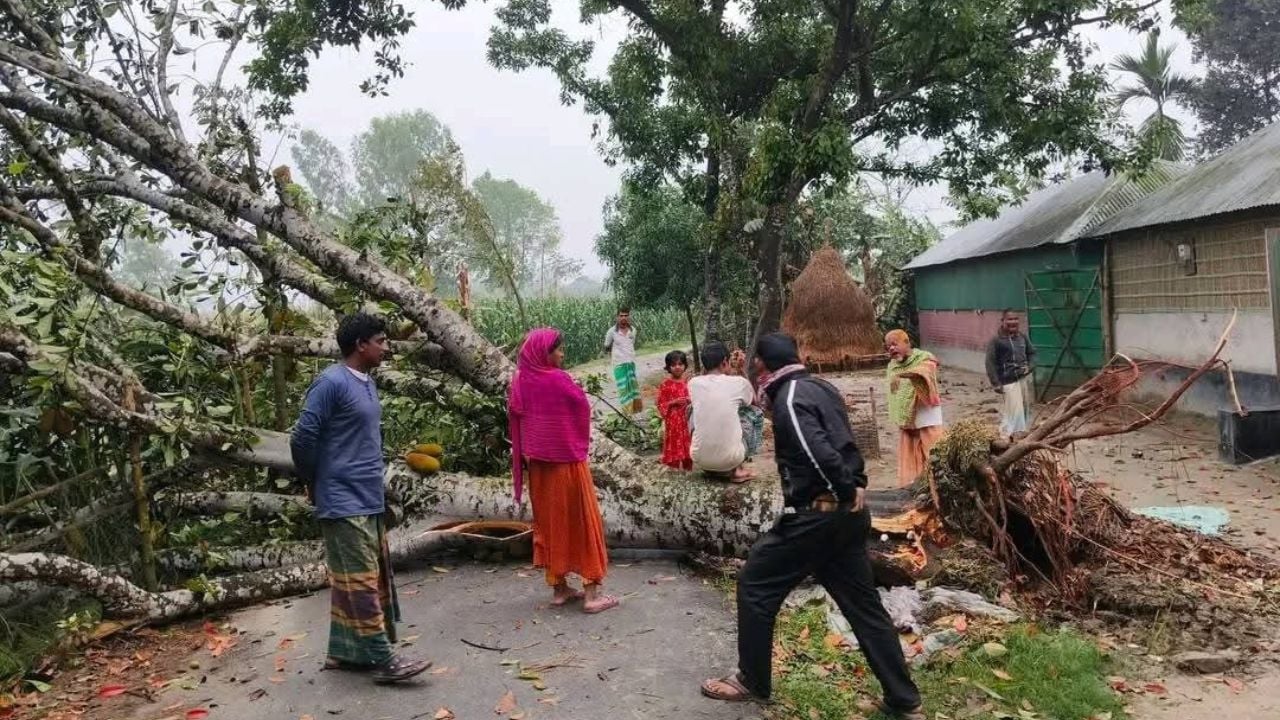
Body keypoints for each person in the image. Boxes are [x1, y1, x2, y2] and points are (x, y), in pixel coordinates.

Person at [700, 333, 923, 719]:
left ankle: (752, 680)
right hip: (846, 520)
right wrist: (857, 485)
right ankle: (905, 701)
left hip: (815, 517)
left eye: (756, 367)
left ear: (762, 366)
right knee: (863, 606)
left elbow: (815, 448)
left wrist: (843, 486)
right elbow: (847, 442)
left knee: (755, 584)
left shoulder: (788, 398)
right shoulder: (821, 388)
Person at [290, 312, 431, 684]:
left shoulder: (366, 382)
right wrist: (313, 481)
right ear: (360, 345)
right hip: (340, 497)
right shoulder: (329, 383)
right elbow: (302, 438)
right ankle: (383, 660)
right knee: (361, 580)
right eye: (381, 341)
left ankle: (344, 652)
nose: (386, 347)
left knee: (365, 577)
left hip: (367, 495)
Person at [509, 327, 619, 614]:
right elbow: (580, 407)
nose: (562, 353)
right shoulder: (557, 379)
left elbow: (517, 415)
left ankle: (558, 587)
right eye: (558, 349)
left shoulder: (520, 379)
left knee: (549, 524)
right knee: (582, 521)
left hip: (538, 467)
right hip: (567, 464)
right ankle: (591, 594)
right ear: (544, 353)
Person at [689, 342, 758, 482]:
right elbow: (754, 401)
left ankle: (710, 470)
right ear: (725, 362)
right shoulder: (739, 382)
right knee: (753, 412)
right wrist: (742, 372)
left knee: (691, 409)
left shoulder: (693, 383)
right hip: (731, 459)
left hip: (698, 458)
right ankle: (738, 468)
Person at [885, 329, 945, 488]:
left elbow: (926, 370)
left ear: (907, 343)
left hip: (927, 417)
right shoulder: (892, 367)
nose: (891, 349)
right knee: (910, 459)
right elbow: (894, 395)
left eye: (894, 344)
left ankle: (940, 487)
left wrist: (908, 374)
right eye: (888, 346)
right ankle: (913, 489)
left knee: (935, 455)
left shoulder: (924, 358)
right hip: (908, 421)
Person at [986, 309, 1037, 436]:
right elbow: (990, 363)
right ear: (1003, 321)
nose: (1013, 322)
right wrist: (996, 383)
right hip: (1008, 381)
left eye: (1015, 319)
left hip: (1023, 379)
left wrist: (1030, 367)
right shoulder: (996, 341)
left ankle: (1022, 435)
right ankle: (1007, 436)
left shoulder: (1022, 337)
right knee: (1015, 412)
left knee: (1025, 409)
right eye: (1009, 319)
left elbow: (1032, 353)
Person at [657, 350, 693, 471]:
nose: (677, 367)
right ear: (668, 367)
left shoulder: (688, 383)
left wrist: (689, 400)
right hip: (673, 423)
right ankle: (673, 472)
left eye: (680, 364)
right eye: (673, 365)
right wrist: (674, 402)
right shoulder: (665, 385)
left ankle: (688, 471)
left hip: (687, 421)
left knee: (689, 446)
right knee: (674, 447)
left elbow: (695, 400)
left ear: (685, 366)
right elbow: (661, 404)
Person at [603, 307, 641, 413]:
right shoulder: (611, 332)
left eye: (626, 315)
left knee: (632, 387)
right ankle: (626, 411)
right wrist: (614, 353)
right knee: (623, 387)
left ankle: (634, 409)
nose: (623, 318)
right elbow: (606, 346)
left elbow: (631, 344)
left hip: (630, 362)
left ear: (629, 317)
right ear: (617, 317)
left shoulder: (633, 330)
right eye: (621, 316)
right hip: (619, 364)